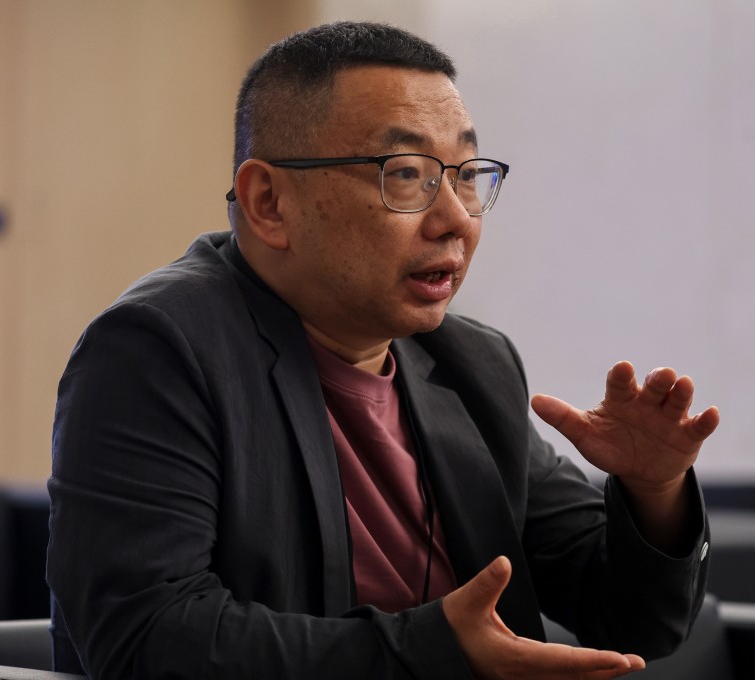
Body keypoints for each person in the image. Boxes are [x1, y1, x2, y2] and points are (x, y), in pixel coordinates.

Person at [47, 21, 719, 680]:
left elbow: (633, 623)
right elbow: (145, 639)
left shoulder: (472, 364)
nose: (456, 217)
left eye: (465, 174)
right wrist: (433, 652)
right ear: (269, 202)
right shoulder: (157, 350)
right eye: (406, 174)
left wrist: (653, 493)